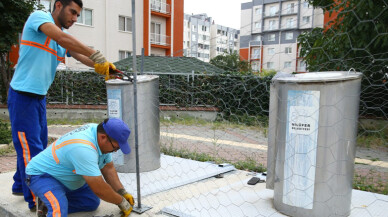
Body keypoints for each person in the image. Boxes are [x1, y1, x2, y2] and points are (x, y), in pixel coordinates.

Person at [8, 0, 115, 211]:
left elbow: (77, 54)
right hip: (22, 97)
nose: (75, 19)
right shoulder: (40, 18)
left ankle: (20, 185)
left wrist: (105, 67)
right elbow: (62, 37)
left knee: (37, 143)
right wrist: (96, 54)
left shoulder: (59, 39)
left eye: (78, 15)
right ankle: (36, 201)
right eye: (73, 12)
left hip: (38, 98)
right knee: (31, 151)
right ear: (58, 5)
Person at [25, 118, 134, 217]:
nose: (115, 151)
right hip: (43, 176)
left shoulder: (99, 132)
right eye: (115, 147)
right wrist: (121, 202)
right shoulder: (83, 148)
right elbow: (99, 188)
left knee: (91, 202)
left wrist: (121, 192)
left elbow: (108, 167)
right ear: (103, 137)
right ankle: (53, 204)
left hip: (66, 176)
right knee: (58, 210)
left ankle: (47, 203)